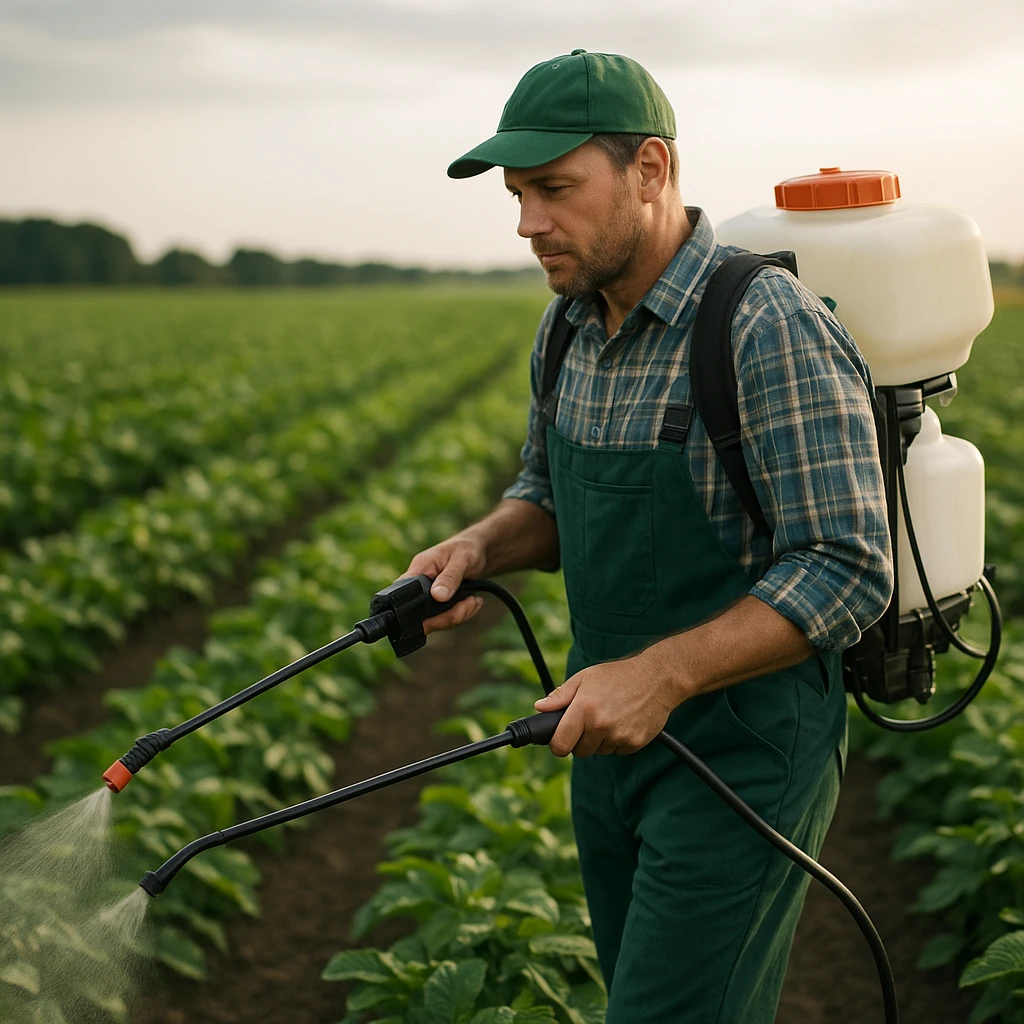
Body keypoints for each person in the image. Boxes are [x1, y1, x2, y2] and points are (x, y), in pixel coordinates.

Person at [403, 49, 893, 1023]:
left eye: (554, 189)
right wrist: (479, 547)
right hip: (609, 734)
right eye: (516, 194)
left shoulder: (762, 326)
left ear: (650, 171)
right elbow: (543, 494)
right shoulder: (567, 327)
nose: (526, 222)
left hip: (741, 750)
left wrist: (662, 674)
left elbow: (846, 566)